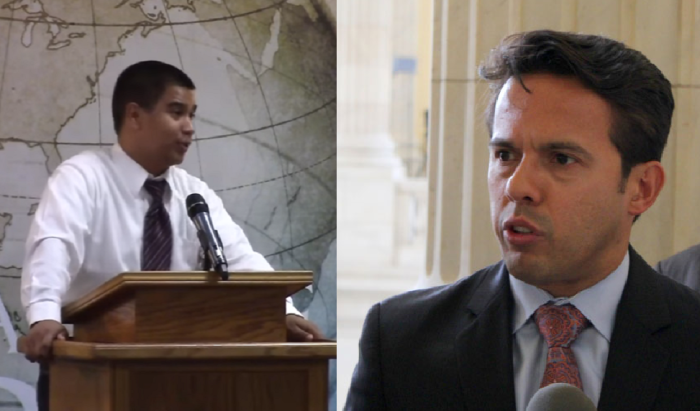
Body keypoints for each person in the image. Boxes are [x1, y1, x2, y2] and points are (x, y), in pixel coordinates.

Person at [344, 30, 700, 410]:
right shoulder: (400, 341)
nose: (517, 186)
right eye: (504, 154)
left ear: (642, 188)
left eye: (561, 158)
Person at [19, 60, 324, 411]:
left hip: (180, 375)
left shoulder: (194, 195)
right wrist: (44, 316)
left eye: (192, 115)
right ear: (134, 115)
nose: (190, 127)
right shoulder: (82, 177)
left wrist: (283, 313)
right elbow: (54, 245)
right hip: (88, 368)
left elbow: (240, 261)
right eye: (177, 112)